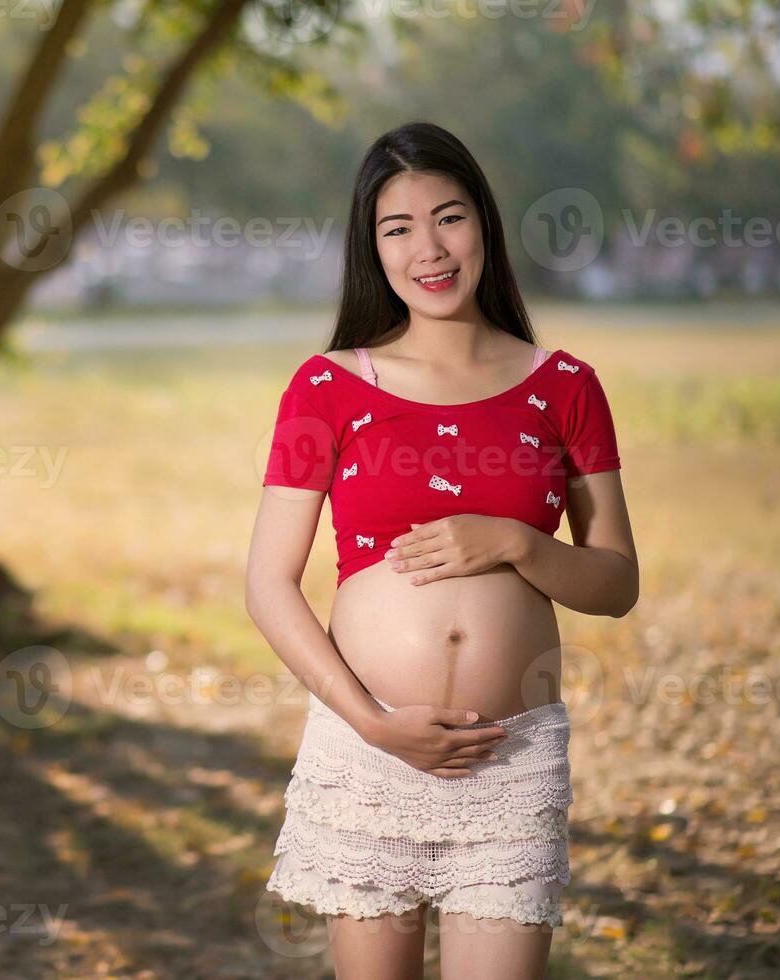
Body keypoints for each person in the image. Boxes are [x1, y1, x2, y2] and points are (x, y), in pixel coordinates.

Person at [245, 121, 638, 980]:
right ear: (371, 247)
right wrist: (373, 724)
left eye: (449, 217)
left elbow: (614, 582)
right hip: (368, 750)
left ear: (485, 227)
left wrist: (517, 543)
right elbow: (269, 585)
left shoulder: (564, 386)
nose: (429, 247)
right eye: (398, 228)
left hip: (510, 758)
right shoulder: (328, 386)